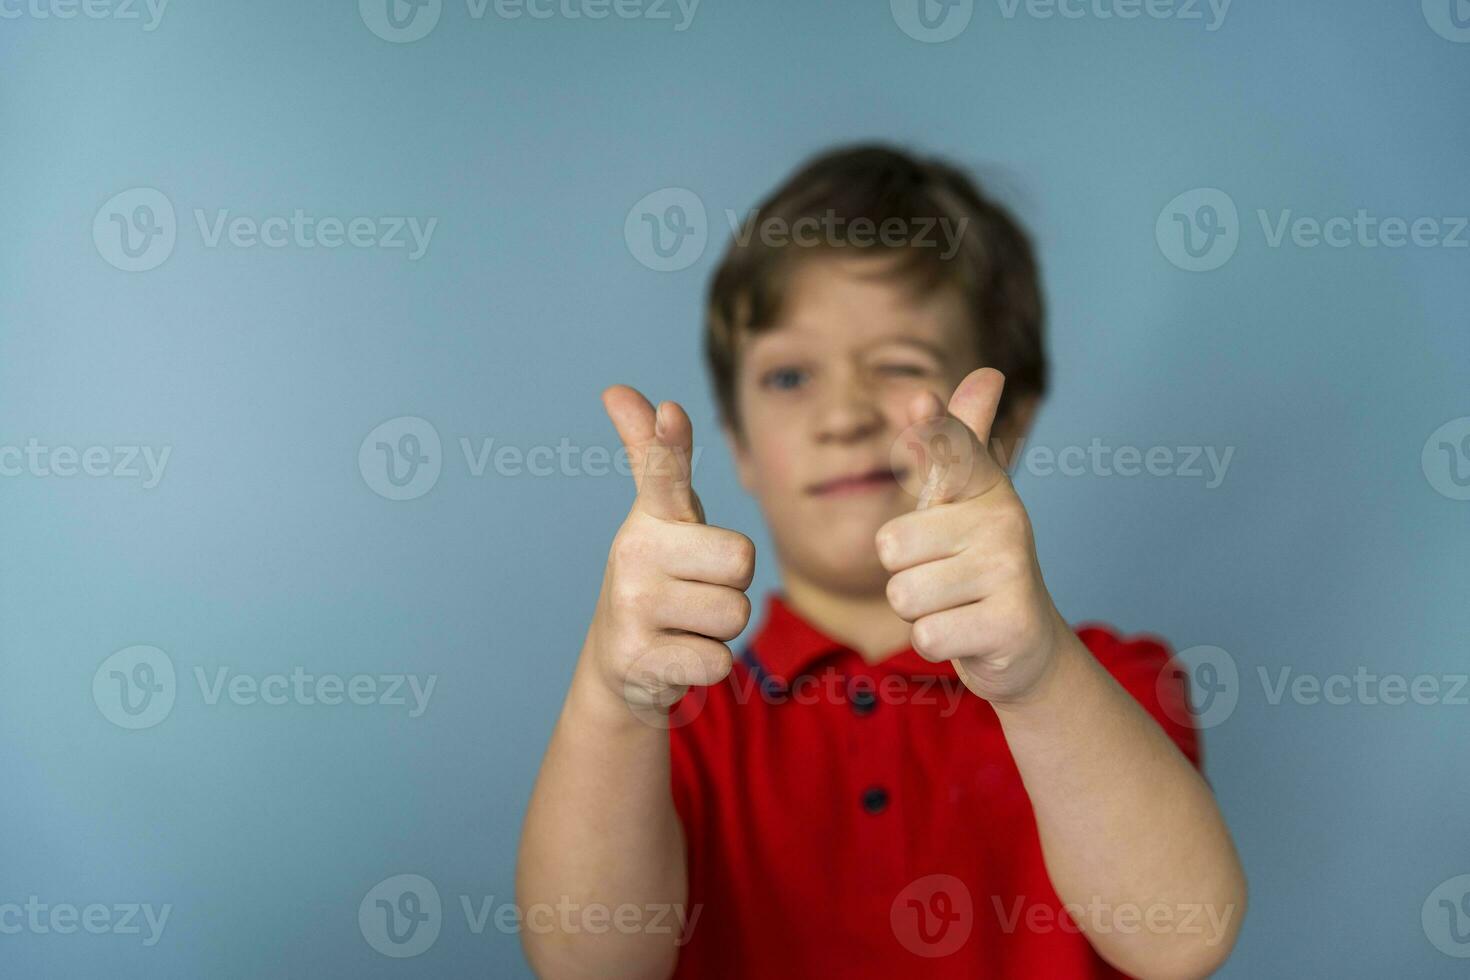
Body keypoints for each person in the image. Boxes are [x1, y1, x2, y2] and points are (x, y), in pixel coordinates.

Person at [516, 144, 1247, 979]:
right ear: (741, 447)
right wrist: (615, 699)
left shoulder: (1108, 682)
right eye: (790, 376)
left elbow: (1184, 936)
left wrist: (1038, 674)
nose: (843, 414)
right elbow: (586, 963)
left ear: (1004, 425)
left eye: (898, 366)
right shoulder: (683, 722)